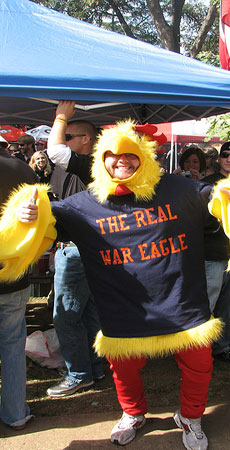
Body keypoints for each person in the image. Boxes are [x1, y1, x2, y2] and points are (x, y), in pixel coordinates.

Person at [1, 120, 230, 450]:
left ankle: (190, 417)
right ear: (101, 159)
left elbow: (220, 200)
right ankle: (133, 413)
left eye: (130, 154)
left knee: (200, 365)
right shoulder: (84, 204)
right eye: (112, 155)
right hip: (123, 307)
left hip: (182, 302)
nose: (121, 160)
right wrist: (25, 209)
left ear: (143, 156)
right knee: (124, 369)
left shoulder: (179, 189)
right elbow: (42, 219)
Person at [45, 100, 104, 397]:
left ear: (86, 140)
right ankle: (92, 368)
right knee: (88, 312)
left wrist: (61, 116)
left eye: (69, 135)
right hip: (79, 248)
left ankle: (79, 373)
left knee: (66, 315)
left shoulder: (94, 163)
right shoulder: (67, 169)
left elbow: (55, 149)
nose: (61, 137)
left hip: (79, 251)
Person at [0, 144, 37, 430]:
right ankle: (15, 414)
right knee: (13, 346)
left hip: (13, 273)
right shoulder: (24, 169)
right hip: (15, 273)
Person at [203, 141, 230, 362]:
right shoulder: (206, 185)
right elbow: (197, 218)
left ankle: (221, 347)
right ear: (218, 159)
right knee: (207, 304)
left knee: (227, 305)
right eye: (226, 155)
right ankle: (197, 351)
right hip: (211, 253)